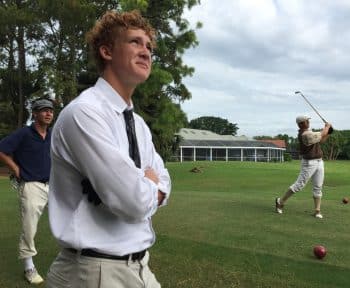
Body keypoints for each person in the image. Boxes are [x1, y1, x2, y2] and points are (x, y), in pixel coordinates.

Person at [46, 10, 171, 288]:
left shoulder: (137, 123)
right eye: (135, 43)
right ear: (106, 51)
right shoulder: (84, 113)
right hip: (94, 272)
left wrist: (149, 188)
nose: (146, 51)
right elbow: (133, 202)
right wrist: (150, 187)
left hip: (140, 266)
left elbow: (163, 180)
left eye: (148, 46)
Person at [0, 98, 54, 284]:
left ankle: (73, 257)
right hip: (31, 186)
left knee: (68, 220)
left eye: (51, 111)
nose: (48, 113)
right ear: (35, 114)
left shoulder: (53, 134)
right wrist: (15, 168)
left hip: (53, 186)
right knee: (29, 228)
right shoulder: (24, 133)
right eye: (44, 110)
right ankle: (29, 267)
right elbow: (2, 149)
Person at [275, 115, 332, 219]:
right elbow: (321, 133)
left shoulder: (309, 132)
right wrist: (327, 127)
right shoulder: (305, 134)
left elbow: (322, 140)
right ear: (301, 124)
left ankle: (317, 211)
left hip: (319, 161)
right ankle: (280, 202)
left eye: (308, 120)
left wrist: (328, 132)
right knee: (299, 185)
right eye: (306, 121)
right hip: (309, 163)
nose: (308, 122)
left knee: (318, 186)